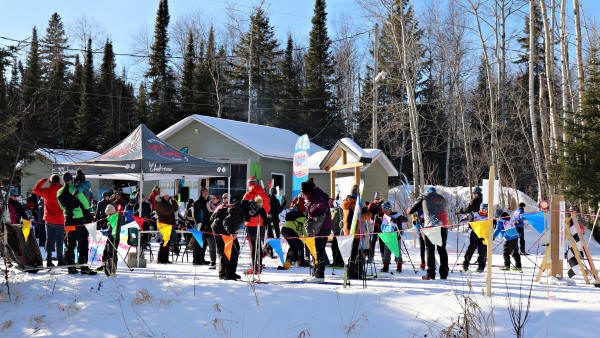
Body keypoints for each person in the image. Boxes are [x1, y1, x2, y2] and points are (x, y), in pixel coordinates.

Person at [56, 172, 96, 275]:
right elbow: (85, 204)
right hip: (79, 220)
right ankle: (83, 267)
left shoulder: (59, 192)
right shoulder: (75, 189)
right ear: (71, 179)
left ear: (63, 180)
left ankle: (71, 267)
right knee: (83, 243)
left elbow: (61, 207)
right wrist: (88, 211)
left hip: (68, 220)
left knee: (71, 244)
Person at [408, 187, 449, 280]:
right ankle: (444, 274)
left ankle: (430, 274)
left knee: (430, 249)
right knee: (442, 250)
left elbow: (411, 211)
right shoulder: (442, 198)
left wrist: (409, 209)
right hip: (443, 225)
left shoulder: (424, 196)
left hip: (430, 226)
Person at [301, 180, 332, 283]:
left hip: (322, 228)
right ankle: (316, 273)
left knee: (319, 251)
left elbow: (321, 206)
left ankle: (319, 275)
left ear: (308, 192)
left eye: (304, 193)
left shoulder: (318, 197)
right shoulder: (315, 196)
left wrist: (310, 208)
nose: (303, 196)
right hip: (320, 228)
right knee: (316, 250)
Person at [33, 174, 66, 267]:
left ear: (51, 181)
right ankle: (60, 260)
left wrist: (43, 181)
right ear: (59, 181)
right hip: (60, 220)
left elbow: (35, 189)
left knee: (49, 239)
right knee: (59, 241)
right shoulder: (63, 190)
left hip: (49, 220)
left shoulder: (46, 191)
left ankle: (48, 260)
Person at [242, 177, 271, 274]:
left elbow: (244, 208)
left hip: (250, 224)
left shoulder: (248, 194)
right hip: (261, 223)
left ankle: (255, 267)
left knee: (253, 246)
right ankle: (259, 266)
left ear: (249, 184)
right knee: (259, 245)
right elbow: (267, 209)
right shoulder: (264, 194)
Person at [459, 187, 487, 272]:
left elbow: (468, 209)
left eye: (474, 193)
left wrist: (461, 211)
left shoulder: (474, 200)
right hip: (480, 229)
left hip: (478, 229)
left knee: (473, 248)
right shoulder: (484, 199)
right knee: (481, 249)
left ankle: (467, 265)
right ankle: (479, 266)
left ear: (475, 193)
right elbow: (471, 213)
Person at [341, 185, 363, 279]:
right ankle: (351, 272)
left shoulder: (346, 202)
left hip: (347, 231)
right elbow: (359, 217)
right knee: (353, 253)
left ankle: (351, 271)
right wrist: (367, 213)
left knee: (349, 253)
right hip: (354, 231)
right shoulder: (355, 204)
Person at [380, 201, 407, 273]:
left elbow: (405, 219)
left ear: (389, 209)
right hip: (388, 236)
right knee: (386, 252)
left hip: (396, 237)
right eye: (383, 210)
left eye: (386, 210)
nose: (385, 212)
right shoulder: (385, 216)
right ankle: (385, 267)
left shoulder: (396, 215)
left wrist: (398, 220)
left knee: (397, 252)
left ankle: (399, 267)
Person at [193, 188, 216, 268]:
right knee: (198, 243)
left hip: (206, 225)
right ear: (201, 193)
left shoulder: (208, 202)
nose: (206, 193)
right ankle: (196, 260)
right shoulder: (197, 203)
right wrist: (198, 223)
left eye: (207, 192)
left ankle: (201, 259)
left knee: (204, 243)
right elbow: (195, 214)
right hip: (199, 224)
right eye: (204, 192)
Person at [155, 191, 179, 264]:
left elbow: (175, 208)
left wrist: (173, 201)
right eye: (165, 196)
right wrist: (172, 206)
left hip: (169, 224)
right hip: (164, 224)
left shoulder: (167, 203)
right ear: (162, 196)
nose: (167, 197)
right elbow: (168, 211)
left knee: (167, 242)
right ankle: (160, 258)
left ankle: (165, 258)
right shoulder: (160, 204)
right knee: (165, 242)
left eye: (168, 196)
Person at [102, 204, 125, 276]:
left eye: (108, 214)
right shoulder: (112, 218)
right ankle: (105, 267)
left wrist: (108, 232)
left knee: (111, 253)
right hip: (110, 237)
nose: (107, 216)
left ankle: (112, 269)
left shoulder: (116, 218)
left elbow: (115, 230)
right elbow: (111, 228)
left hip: (114, 238)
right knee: (106, 252)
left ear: (110, 213)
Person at [368, 192, 385, 262]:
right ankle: (370, 257)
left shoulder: (383, 205)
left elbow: (385, 213)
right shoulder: (372, 205)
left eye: (379, 199)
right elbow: (368, 214)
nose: (378, 200)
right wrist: (373, 216)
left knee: (382, 241)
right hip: (373, 225)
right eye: (377, 199)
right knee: (373, 241)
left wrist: (382, 218)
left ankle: (383, 256)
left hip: (381, 226)